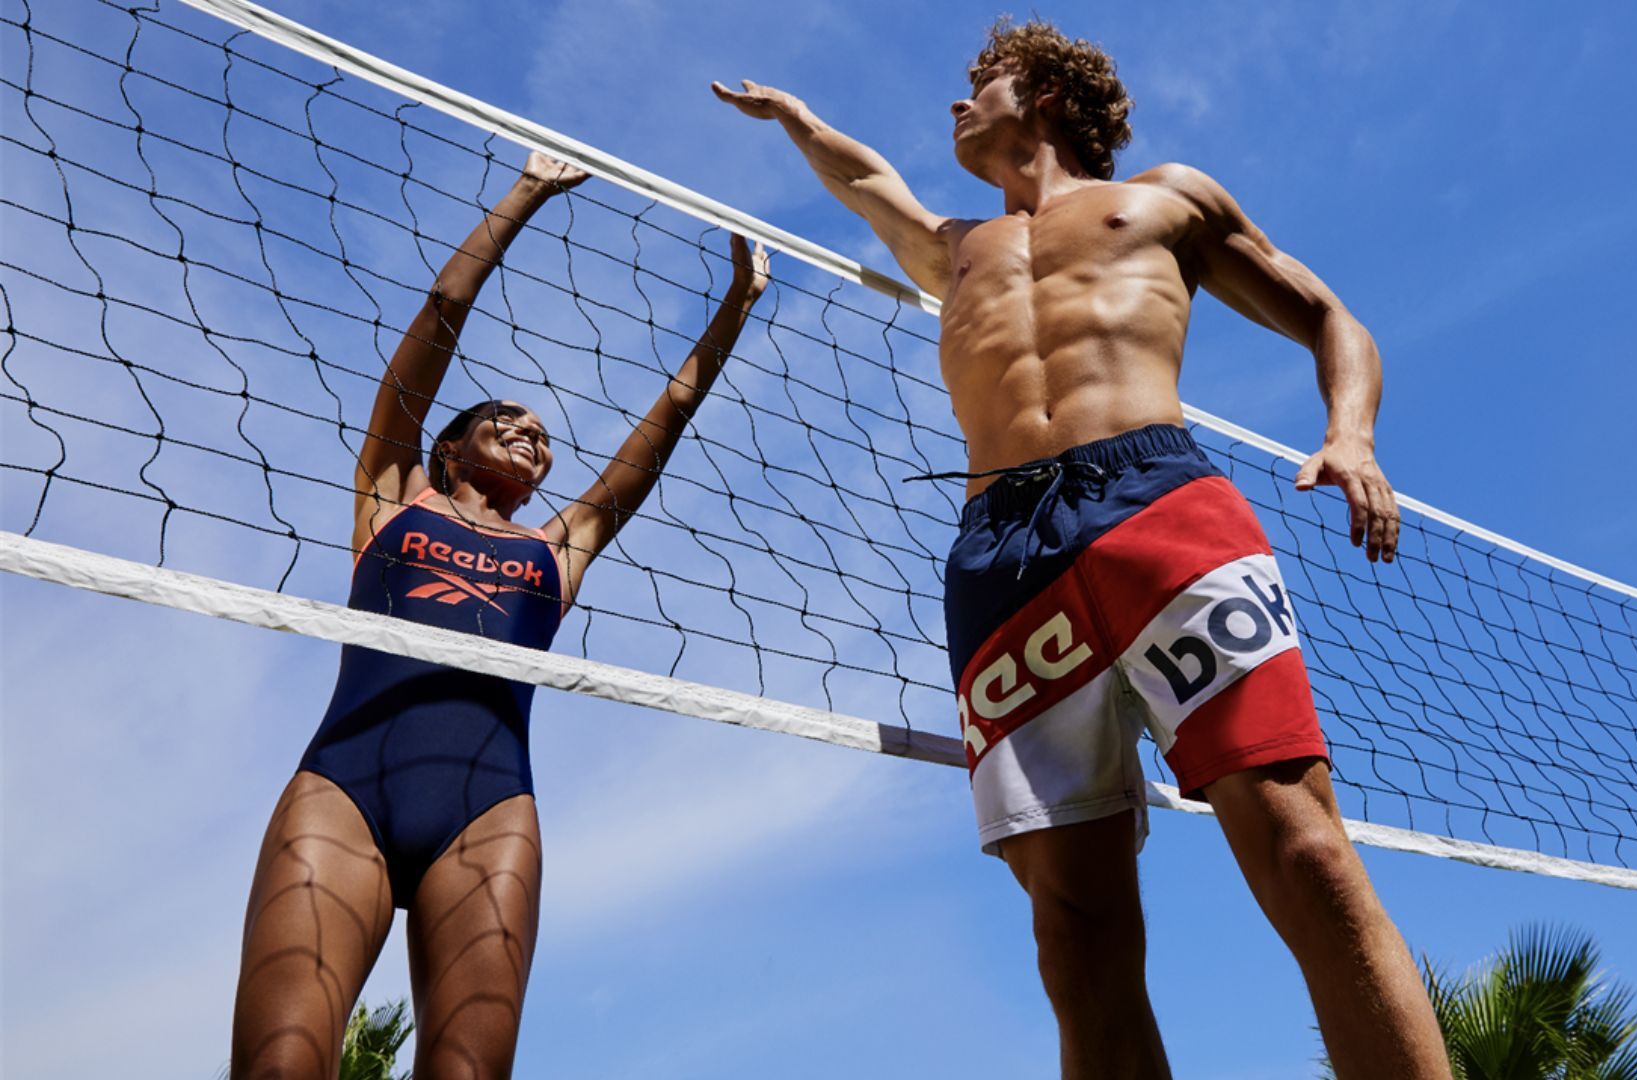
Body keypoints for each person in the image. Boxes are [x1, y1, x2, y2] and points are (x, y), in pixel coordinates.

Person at [715, 18, 1449, 1079]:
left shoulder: (1162, 199)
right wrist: (794, 118)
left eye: (984, 81)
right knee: (1076, 935)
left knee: (1309, 855)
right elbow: (865, 179)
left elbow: (1334, 318)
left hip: (1159, 505)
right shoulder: (955, 245)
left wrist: (1350, 436)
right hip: (1001, 554)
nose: (958, 104)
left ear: (1049, 93)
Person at [229, 150, 772, 1078]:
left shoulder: (560, 545)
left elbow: (674, 412)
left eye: (545, 435)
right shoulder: (391, 493)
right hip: (343, 789)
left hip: (488, 811)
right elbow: (441, 312)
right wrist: (524, 193)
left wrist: (739, 303)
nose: (534, 432)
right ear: (449, 445)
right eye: (508, 418)